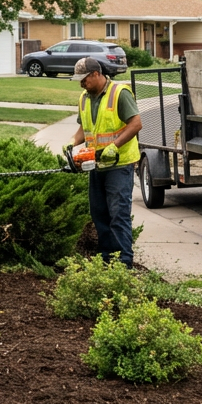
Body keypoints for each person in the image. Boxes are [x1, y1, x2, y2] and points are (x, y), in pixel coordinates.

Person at [65, 56, 142, 267]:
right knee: (99, 213)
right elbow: (84, 129)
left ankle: (124, 263)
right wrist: (73, 142)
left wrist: (114, 146)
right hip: (96, 164)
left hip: (119, 164)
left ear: (96, 74)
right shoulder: (84, 97)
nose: (81, 83)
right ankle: (107, 260)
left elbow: (135, 124)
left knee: (118, 213)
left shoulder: (119, 94)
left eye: (84, 79)